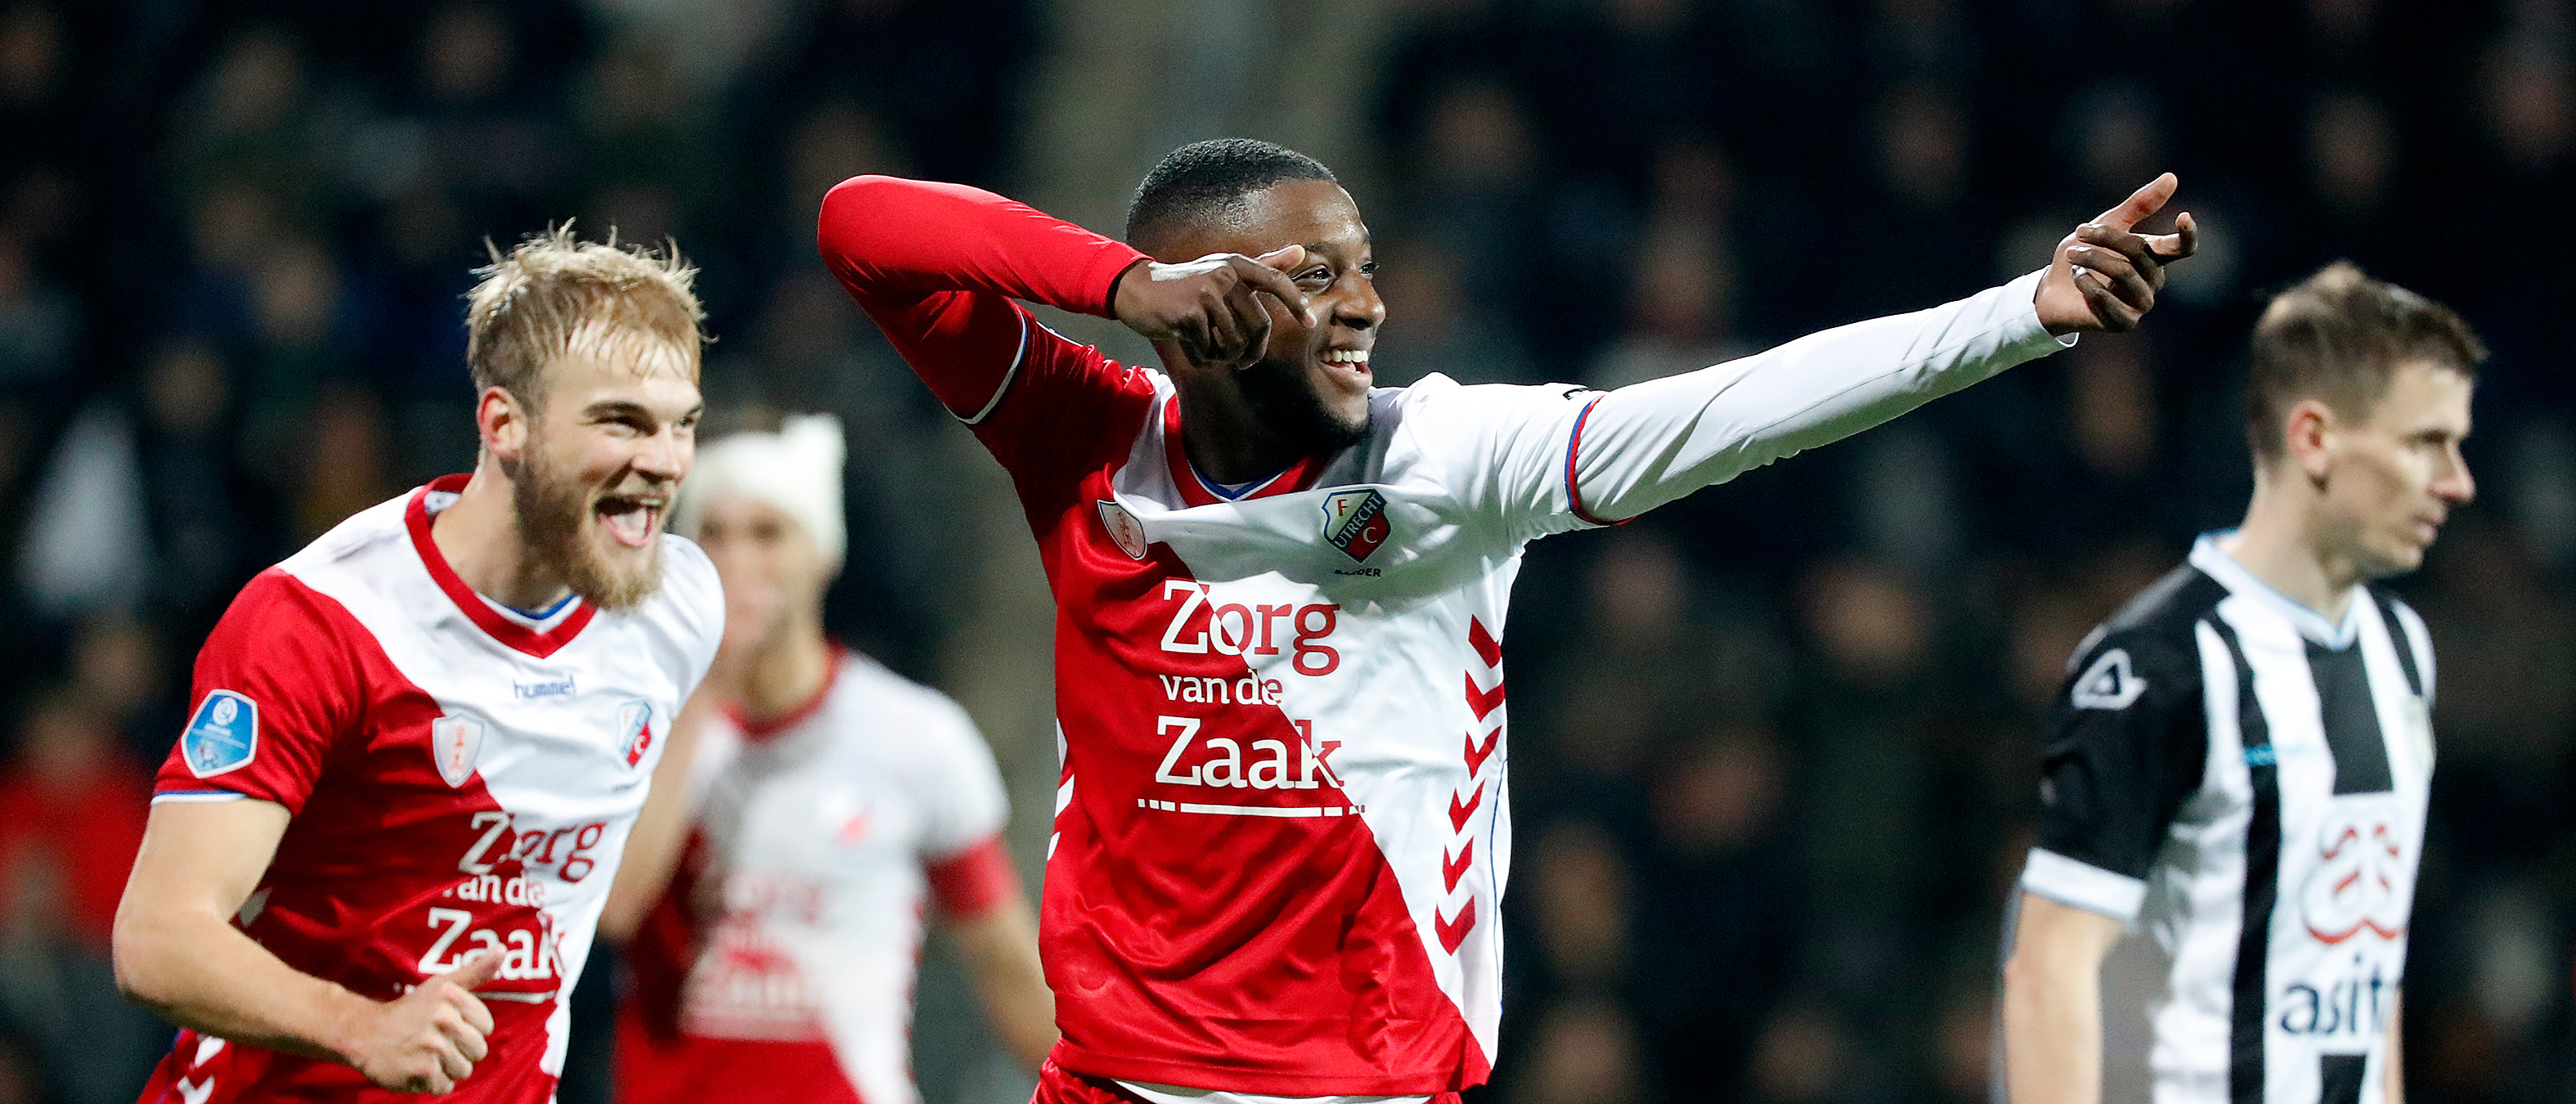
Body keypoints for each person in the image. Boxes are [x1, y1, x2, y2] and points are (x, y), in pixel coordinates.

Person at [815, 138, 2192, 1104]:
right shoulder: (1084, 443)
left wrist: (2027, 313)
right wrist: (1118, 285)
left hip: (1367, 1087)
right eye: (1312, 274)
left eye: (1361, 265)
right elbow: (863, 227)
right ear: (1198, 308)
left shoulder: (1452, 462)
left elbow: (1742, 409)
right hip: (1114, 1082)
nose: (1366, 301)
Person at [111, 227, 724, 1102]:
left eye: (681, 426)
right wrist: (361, 1026)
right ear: (504, 423)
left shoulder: (679, 606)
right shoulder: (323, 621)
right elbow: (158, 939)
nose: (663, 463)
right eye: (621, 421)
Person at [1999, 263, 2483, 1104]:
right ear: (2315, 439)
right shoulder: (2160, 664)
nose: (2456, 482)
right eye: (2423, 444)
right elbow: (2050, 966)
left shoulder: (2402, 646)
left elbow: (2370, 964)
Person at [601, 414, 1054, 1104]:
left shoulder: (913, 736)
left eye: (767, 534)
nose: (738, 561)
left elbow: (1002, 961)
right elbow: (614, 910)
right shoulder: (643, 728)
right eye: (714, 535)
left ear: (821, 553)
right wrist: (706, 691)